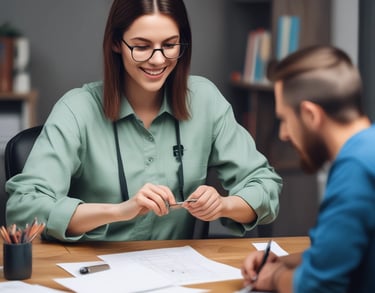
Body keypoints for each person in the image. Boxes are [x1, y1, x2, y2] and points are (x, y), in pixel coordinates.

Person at [5, 0, 281, 242]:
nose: (158, 60)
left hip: (177, 276)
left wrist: (224, 205)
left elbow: (265, 186)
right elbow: (23, 208)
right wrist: (119, 211)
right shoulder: (76, 109)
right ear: (116, 42)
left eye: (170, 45)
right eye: (141, 46)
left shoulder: (205, 99)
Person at [240, 45, 375, 293]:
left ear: (311, 115)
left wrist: (273, 278)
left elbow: (316, 286)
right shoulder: (367, 150)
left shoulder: (355, 171)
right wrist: (281, 262)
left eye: (284, 119)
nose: (283, 134)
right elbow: (336, 253)